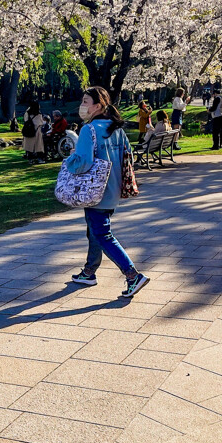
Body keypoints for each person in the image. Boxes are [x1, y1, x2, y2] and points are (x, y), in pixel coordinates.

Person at [66, 86, 150, 298]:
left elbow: (82, 163)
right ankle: (89, 272)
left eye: (86, 101)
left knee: (102, 234)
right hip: (112, 189)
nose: (82, 106)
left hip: (95, 191)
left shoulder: (89, 129)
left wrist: (71, 158)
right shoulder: (116, 129)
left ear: (98, 106)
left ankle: (132, 275)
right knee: (95, 229)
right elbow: (128, 155)